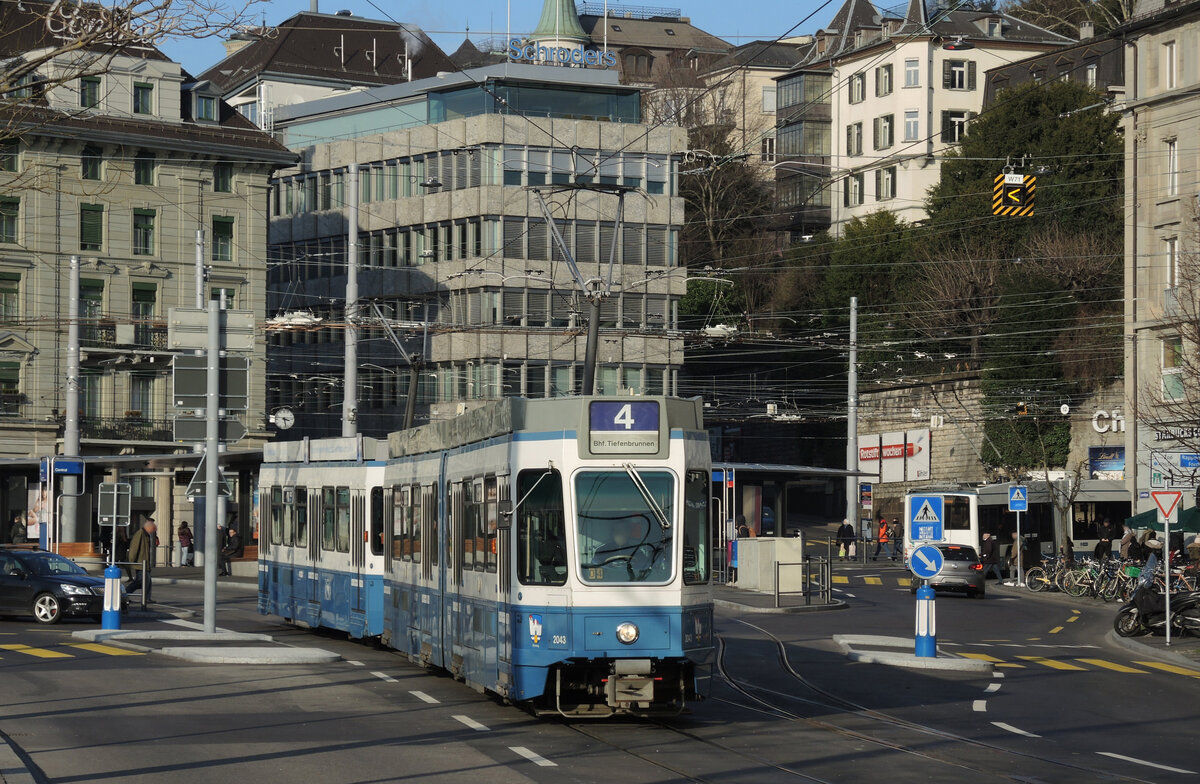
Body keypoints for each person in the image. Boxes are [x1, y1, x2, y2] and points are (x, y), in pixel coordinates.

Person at [126, 519, 157, 593]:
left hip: (144, 564)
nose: (153, 530)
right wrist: (132, 561)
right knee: (140, 582)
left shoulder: (146, 535)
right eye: (153, 528)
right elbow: (134, 548)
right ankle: (125, 593)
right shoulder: (140, 533)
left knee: (147, 582)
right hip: (140, 564)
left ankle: (147, 599)